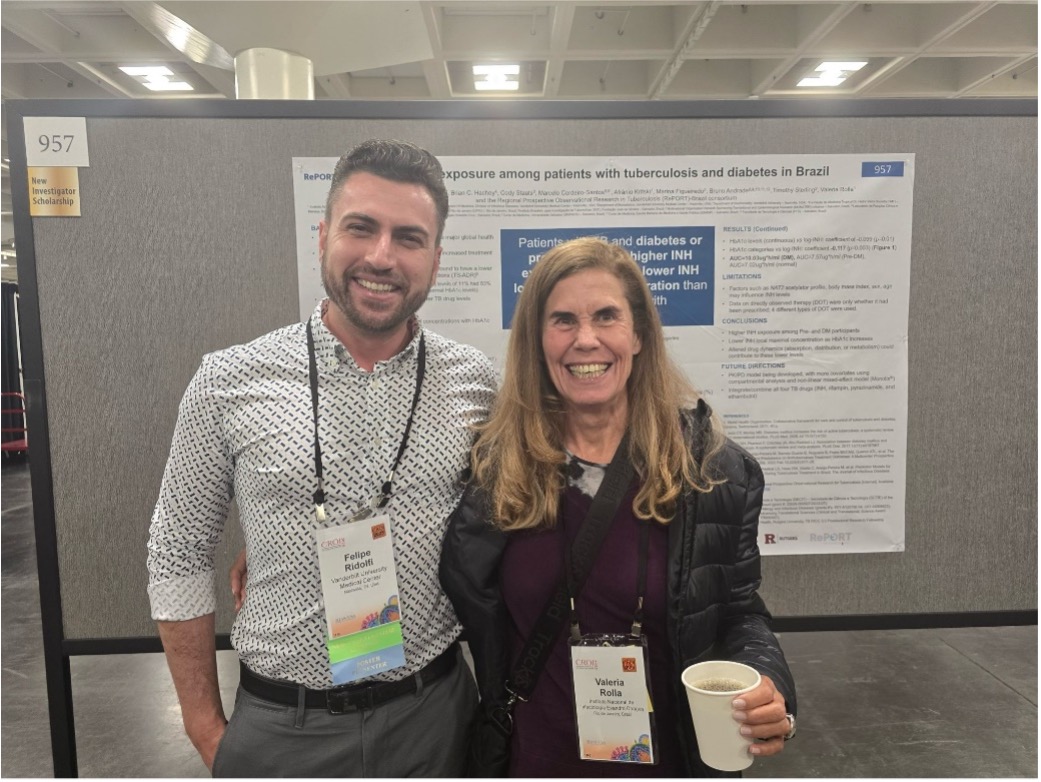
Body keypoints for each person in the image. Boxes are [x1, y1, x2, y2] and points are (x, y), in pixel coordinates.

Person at [146, 139, 497, 777]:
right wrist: (204, 728)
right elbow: (177, 553)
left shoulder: (477, 384)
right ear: (323, 236)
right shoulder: (228, 381)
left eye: (409, 238)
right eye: (361, 228)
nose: (382, 256)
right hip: (283, 728)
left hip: (435, 721)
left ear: (436, 258)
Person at [440, 236, 796, 777]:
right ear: (537, 340)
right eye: (563, 320)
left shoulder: (711, 472)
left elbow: (740, 612)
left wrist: (769, 683)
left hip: (669, 763)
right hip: (535, 760)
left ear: (639, 335)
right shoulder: (498, 469)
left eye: (606, 316)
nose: (586, 340)